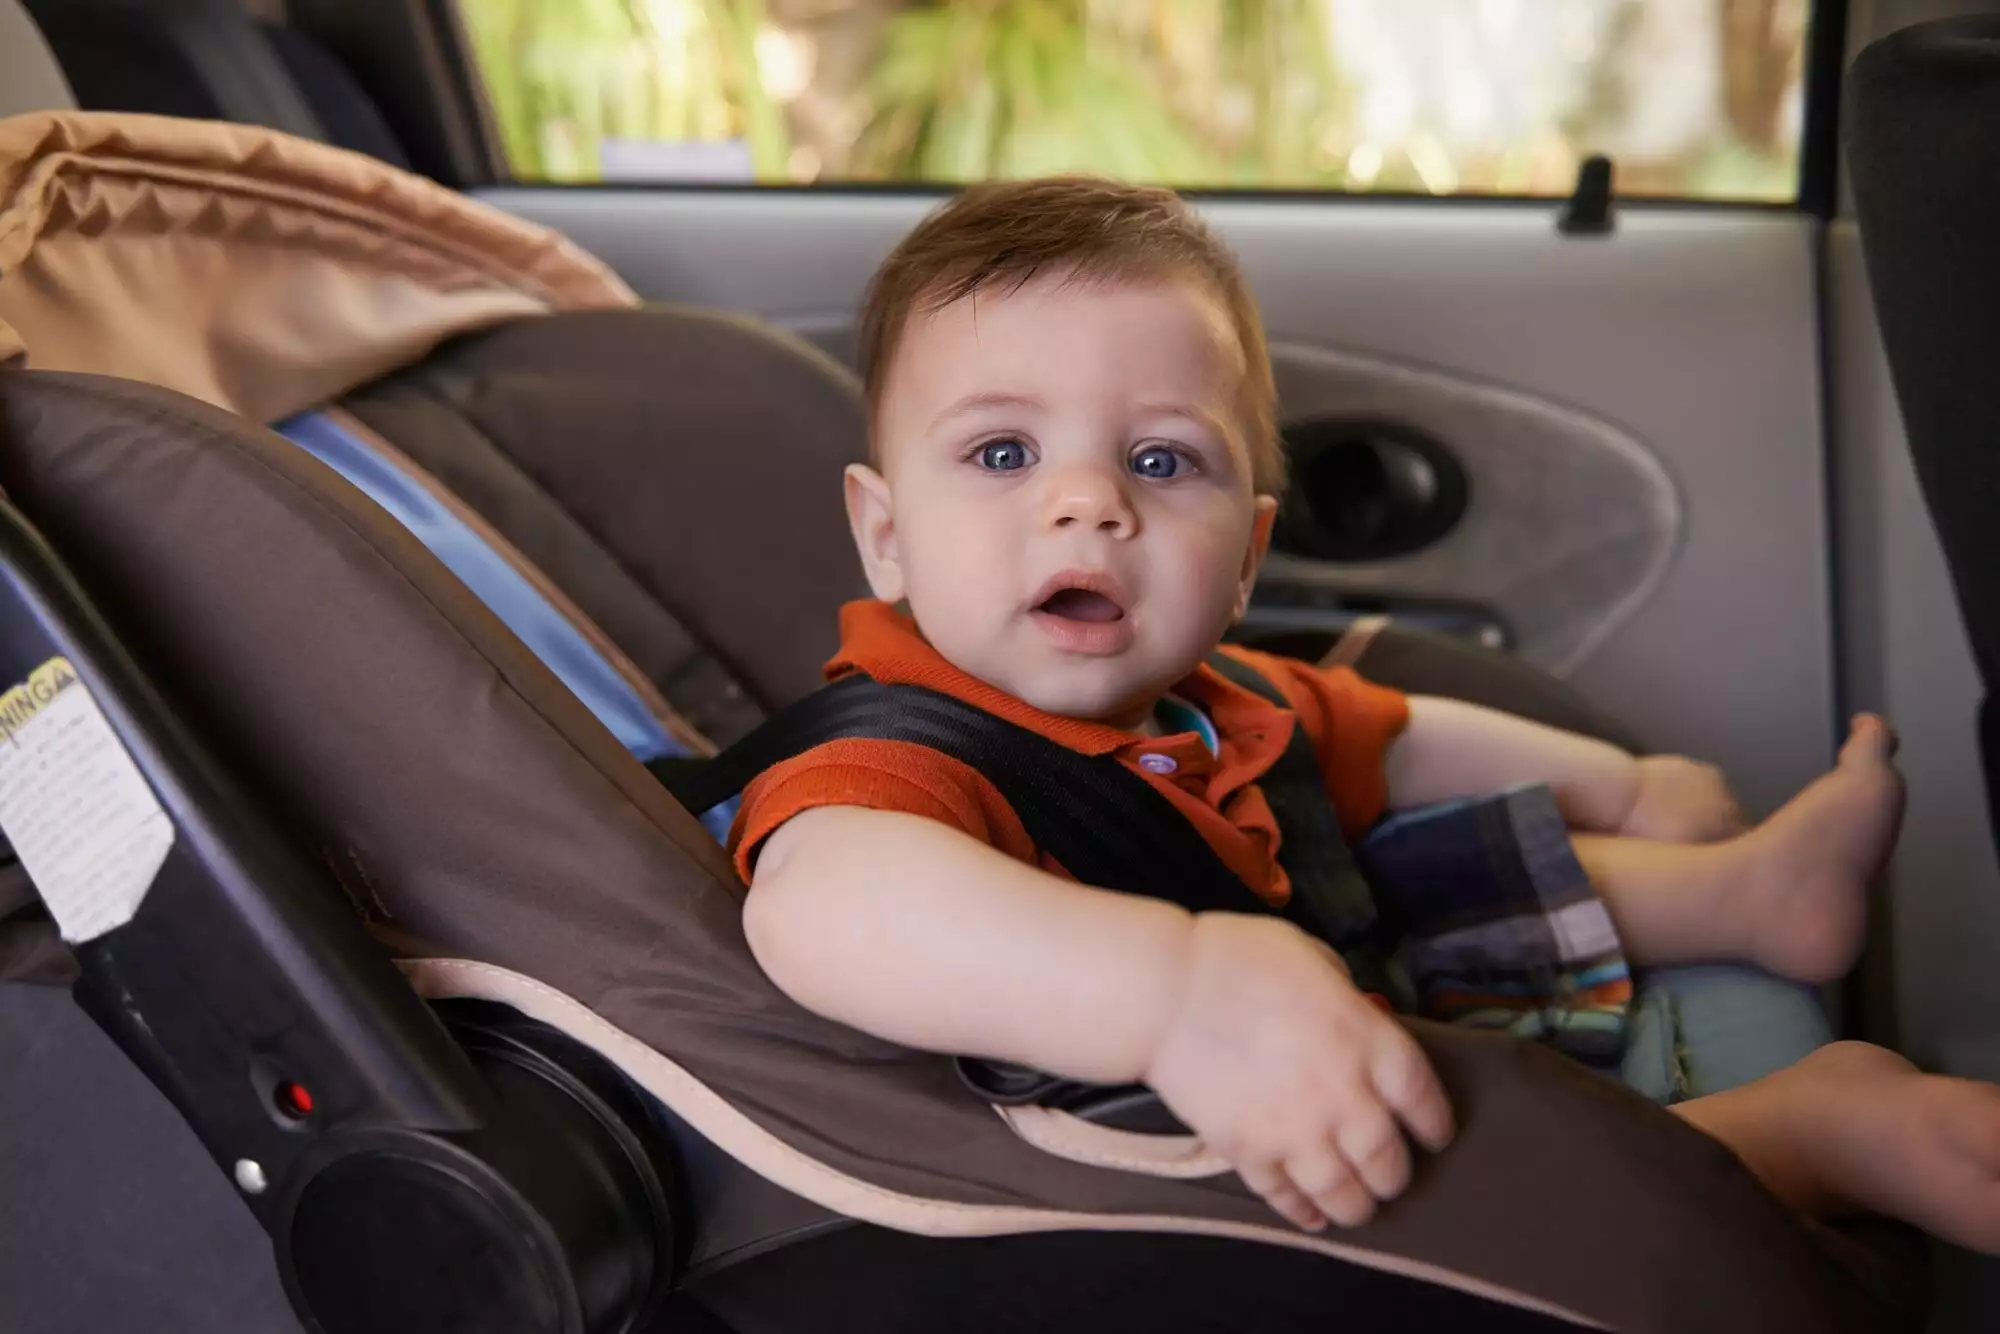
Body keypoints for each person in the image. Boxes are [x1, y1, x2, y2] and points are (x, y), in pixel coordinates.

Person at [726, 176, 2000, 1253]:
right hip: (1229, 1159)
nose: (1087, 502)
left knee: (1404, 851)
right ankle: (1822, 1128)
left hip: (1332, 980)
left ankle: (1743, 895)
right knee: (1483, 1152)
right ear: (884, 537)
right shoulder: (900, 762)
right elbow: (821, 904)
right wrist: (1174, 999)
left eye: (1160, 460)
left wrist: (1622, 783)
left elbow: (1391, 732)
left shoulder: (1208, 703)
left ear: (1243, 559)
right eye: (1001, 453)